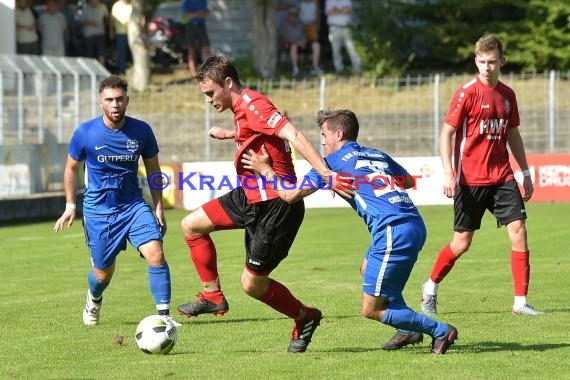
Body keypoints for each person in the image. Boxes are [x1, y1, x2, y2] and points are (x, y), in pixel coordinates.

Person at [242, 109, 458, 354]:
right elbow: (407, 182)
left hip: (392, 231)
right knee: (367, 268)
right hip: (412, 224)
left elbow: (290, 195)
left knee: (371, 309)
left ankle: (440, 330)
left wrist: (265, 170)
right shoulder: (376, 154)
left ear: (338, 133)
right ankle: (408, 329)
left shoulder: (329, 164)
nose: (321, 141)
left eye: (324, 134)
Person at [176, 56, 351, 353]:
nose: (208, 100)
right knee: (191, 226)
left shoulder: (255, 104)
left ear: (228, 83)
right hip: (249, 194)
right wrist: (230, 134)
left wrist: (325, 173)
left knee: (252, 285)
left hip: (276, 206)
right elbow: (258, 132)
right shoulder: (242, 108)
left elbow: (293, 134)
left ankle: (305, 316)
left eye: (210, 93)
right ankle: (213, 296)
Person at [420, 34, 543, 317]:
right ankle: (430, 287)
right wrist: (449, 173)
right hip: (470, 178)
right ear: (476, 61)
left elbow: (513, 135)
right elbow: (446, 133)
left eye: (492, 62)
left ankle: (520, 302)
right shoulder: (466, 93)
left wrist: (524, 172)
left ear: (502, 61)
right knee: (462, 242)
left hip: (502, 176)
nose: (486, 67)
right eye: (482, 62)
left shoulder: (508, 95)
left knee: (519, 230)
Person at [53, 75, 179, 327]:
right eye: (109, 99)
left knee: (156, 253)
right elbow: (70, 169)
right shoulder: (85, 133)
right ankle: (94, 298)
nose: (115, 104)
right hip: (99, 212)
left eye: (120, 99)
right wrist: (69, 206)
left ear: (127, 100)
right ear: (100, 102)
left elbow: (153, 171)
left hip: (133, 206)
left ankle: (165, 319)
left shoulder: (142, 131)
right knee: (102, 274)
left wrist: (158, 206)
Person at [324, 0, 361, 75]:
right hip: (334, 28)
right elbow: (330, 13)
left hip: (346, 28)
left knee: (351, 48)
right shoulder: (329, 1)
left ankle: (358, 68)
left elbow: (349, 10)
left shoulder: (347, 0)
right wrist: (343, 10)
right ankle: (339, 69)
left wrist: (337, 10)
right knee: (336, 50)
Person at [181, 0, 212, 76]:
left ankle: (211, 72)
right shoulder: (186, 2)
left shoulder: (202, 1)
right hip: (190, 26)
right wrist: (199, 13)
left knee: (206, 49)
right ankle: (194, 74)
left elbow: (205, 15)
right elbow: (187, 16)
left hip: (201, 25)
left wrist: (193, 14)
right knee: (191, 51)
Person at [278, 7, 308, 77]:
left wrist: (303, 41)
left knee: (314, 45)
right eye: (292, 15)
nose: (293, 16)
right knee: (294, 46)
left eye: (295, 15)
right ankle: (295, 68)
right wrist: (298, 42)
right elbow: (286, 37)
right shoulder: (284, 24)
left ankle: (314, 67)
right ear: (289, 15)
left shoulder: (299, 23)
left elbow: (303, 34)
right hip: (287, 45)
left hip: (300, 44)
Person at [79, 0, 111, 65]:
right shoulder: (86, 8)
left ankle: (102, 71)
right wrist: (90, 23)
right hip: (89, 35)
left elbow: (107, 18)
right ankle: (91, 72)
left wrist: (109, 29)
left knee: (101, 54)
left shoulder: (103, 7)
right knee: (90, 55)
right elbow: (81, 22)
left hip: (100, 33)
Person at [299, 0, 322, 75]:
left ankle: (315, 66)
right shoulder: (300, 2)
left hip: (313, 26)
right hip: (302, 27)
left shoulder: (315, 1)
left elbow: (318, 14)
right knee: (302, 45)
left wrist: (317, 26)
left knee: (315, 45)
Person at [110, 0, 132, 74]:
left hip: (131, 33)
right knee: (121, 53)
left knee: (131, 53)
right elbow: (112, 20)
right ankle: (122, 71)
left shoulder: (132, 5)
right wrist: (111, 31)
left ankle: (131, 69)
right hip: (120, 33)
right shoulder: (116, 5)